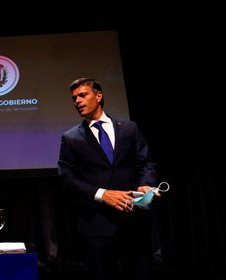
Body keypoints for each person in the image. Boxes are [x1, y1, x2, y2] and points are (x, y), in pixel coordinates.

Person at [57, 77, 161, 280]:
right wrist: (102, 195)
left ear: (98, 96)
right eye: (74, 98)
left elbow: (146, 162)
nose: (77, 101)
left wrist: (147, 184)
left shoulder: (129, 128)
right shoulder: (71, 138)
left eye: (82, 95)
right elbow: (66, 178)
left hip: (134, 221)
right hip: (97, 225)